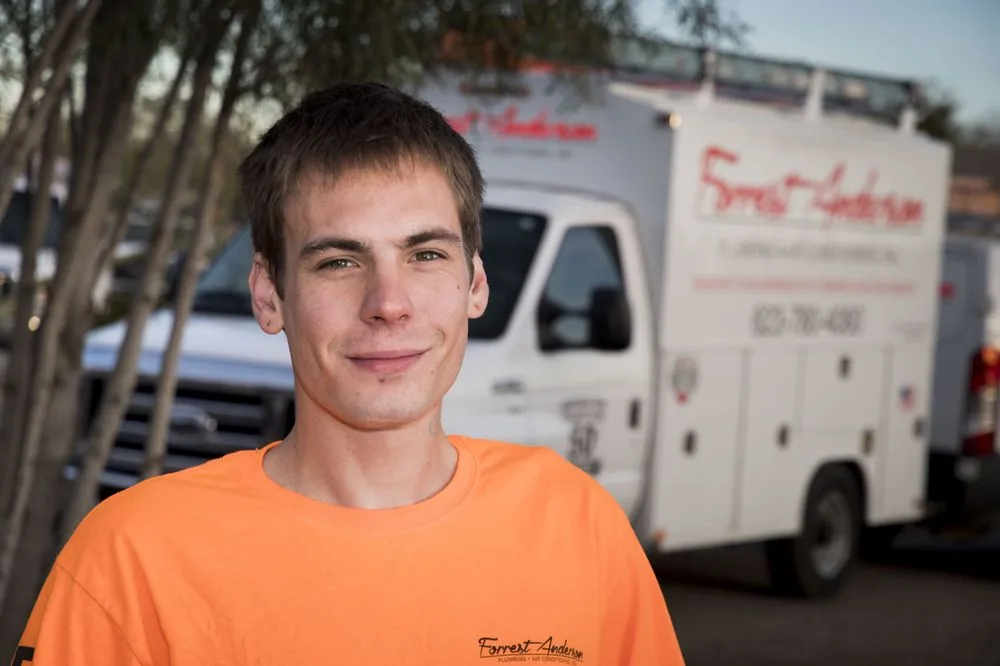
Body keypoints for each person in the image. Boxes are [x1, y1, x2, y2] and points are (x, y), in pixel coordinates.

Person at [12, 81, 685, 665]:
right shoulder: (133, 557)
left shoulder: (578, 526)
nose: (388, 304)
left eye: (425, 255)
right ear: (270, 294)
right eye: (338, 261)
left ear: (474, 283)